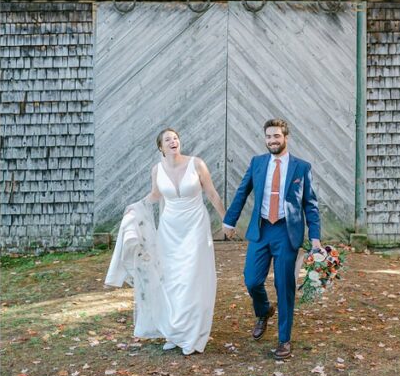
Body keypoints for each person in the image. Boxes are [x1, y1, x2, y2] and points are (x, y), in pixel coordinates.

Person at [106, 128, 225, 355]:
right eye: (168, 139)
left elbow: (211, 194)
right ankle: (174, 331)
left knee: (193, 278)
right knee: (171, 279)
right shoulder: (156, 170)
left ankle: (193, 335)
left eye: (176, 138)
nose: (173, 141)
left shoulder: (197, 164)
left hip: (195, 227)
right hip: (170, 230)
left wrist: (227, 221)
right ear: (161, 147)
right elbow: (155, 195)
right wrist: (136, 205)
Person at [222, 118, 321, 361]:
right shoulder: (257, 163)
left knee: (284, 286)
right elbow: (242, 191)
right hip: (261, 229)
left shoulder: (301, 167)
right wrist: (229, 220)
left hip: (287, 233)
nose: (272, 141)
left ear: (286, 137)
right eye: (268, 137)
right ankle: (264, 310)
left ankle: (284, 340)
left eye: (276, 136)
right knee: (252, 280)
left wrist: (315, 238)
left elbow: (311, 205)